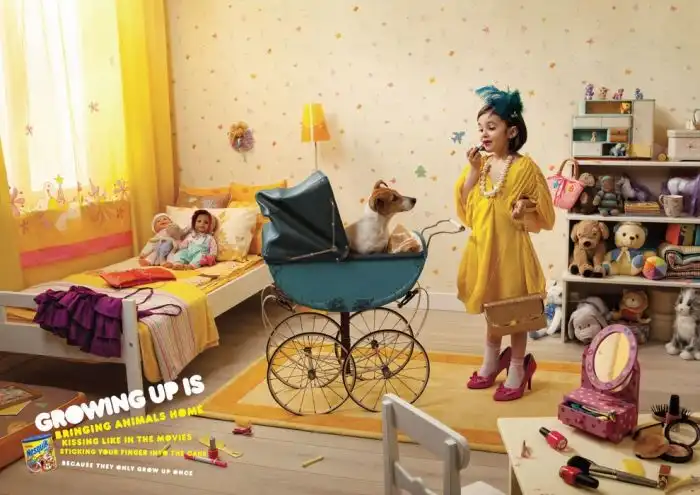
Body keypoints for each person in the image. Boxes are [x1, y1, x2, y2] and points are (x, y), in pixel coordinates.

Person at [453, 85, 555, 401]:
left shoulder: (524, 167)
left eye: (491, 127)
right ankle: (490, 361)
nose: (484, 134)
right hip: (484, 248)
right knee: (491, 308)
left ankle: (518, 367)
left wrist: (524, 207)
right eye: (481, 128)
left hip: (511, 250)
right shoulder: (481, 166)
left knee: (515, 310)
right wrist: (473, 171)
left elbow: (543, 209)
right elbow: (465, 201)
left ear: (511, 131)